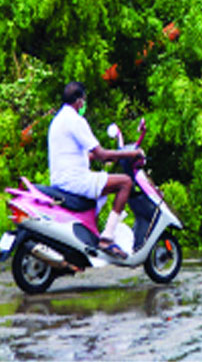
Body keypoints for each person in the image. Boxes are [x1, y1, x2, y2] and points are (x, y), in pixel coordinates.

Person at [48, 81, 144, 258]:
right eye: (83, 100)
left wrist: (110, 157)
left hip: (61, 179)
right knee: (125, 183)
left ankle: (90, 233)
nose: (84, 105)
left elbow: (83, 155)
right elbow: (101, 154)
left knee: (103, 181)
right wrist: (131, 154)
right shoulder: (76, 121)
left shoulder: (58, 120)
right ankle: (106, 238)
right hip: (75, 180)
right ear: (78, 101)